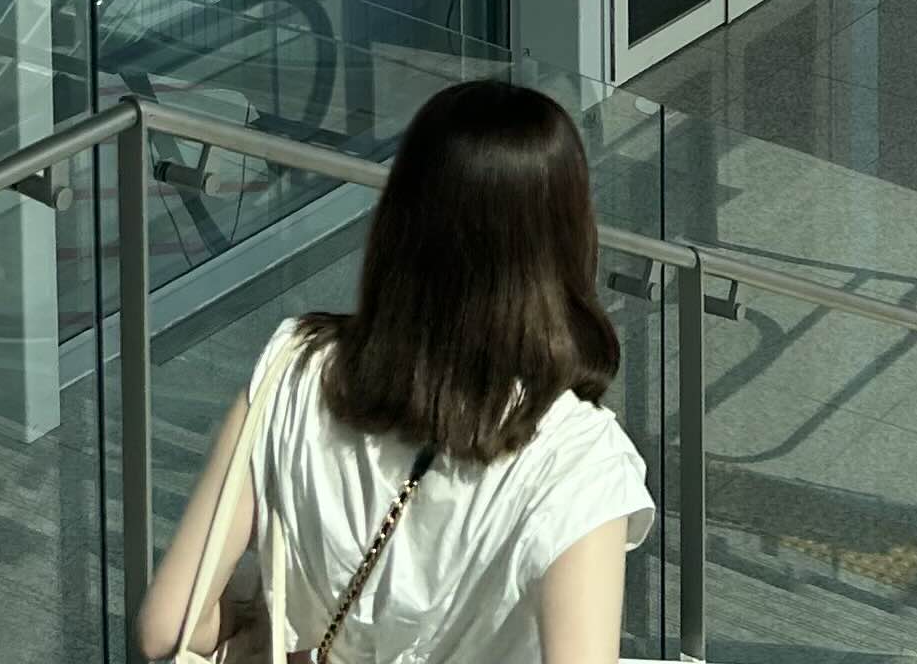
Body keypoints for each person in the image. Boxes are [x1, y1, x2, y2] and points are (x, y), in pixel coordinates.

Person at [136, 80, 653, 664]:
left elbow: (167, 626)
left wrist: (257, 634)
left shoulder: (295, 366)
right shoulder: (579, 460)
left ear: (403, 219)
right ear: (567, 237)